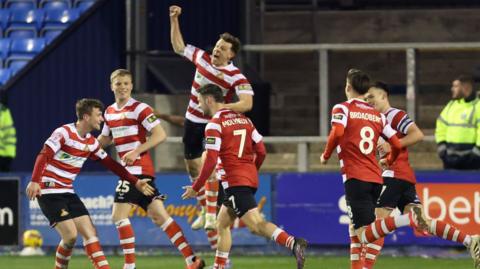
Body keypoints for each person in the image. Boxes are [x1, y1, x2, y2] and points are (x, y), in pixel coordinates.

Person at [181, 84, 307, 269]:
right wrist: (251, 169)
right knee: (222, 223)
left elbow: (211, 160)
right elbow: (261, 150)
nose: (199, 106)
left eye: (199, 102)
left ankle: (293, 243)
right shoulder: (244, 120)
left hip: (234, 181)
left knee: (256, 226)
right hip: (244, 178)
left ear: (209, 100)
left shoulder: (214, 124)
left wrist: (196, 186)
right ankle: (220, 266)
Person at [25, 98, 155, 269]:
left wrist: (135, 182)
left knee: (90, 233)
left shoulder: (91, 142)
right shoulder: (64, 133)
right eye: (98, 115)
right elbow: (44, 155)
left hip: (67, 192)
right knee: (70, 236)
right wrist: (34, 181)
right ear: (86, 117)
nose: (102, 119)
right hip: (49, 191)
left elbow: (111, 163)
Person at [364, 81, 480, 269]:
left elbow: (417, 135)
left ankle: (364, 266)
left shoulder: (394, 115)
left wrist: (391, 146)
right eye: (366, 97)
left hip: (395, 174)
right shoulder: (377, 120)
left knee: (377, 221)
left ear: (384, 96)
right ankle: (470, 240)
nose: (368, 101)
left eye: (372, 97)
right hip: (401, 176)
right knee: (422, 223)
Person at [320, 69, 430, 265]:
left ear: (347, 87)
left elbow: (337, 133)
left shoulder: (343, 108)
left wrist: (326, 154)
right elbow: (395, 143)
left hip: (356, 176)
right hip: (376, 177)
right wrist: (388, 158)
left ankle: (409, 220)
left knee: (364, 234)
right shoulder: (378, 116)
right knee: (354, 228)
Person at [97, 69, 204, 269]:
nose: (122, 87)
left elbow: (160, 134)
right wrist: (86, 148)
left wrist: (137, 150)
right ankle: (192, 260)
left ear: (131, 85)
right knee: (159, 216)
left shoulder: (140, 108)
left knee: (118, 216)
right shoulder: (109, 111)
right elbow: (105, 138)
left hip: (137, 171)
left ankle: (129, 266)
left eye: (126, 83)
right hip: (133, 171)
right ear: (111, 86)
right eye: (118, 84)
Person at [170, 5, 254, 231]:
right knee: (192, 168)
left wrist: (220, 108)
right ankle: (203, 207)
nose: (216, 50)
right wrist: (174, 20)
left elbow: (247, 103)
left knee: (210, 164)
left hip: (212, 124)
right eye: (217, 46)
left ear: (231, 54)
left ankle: (209, 214)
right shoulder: (202, 57)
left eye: (222, 48)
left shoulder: (236, 76)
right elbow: (178, 46)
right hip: (191, 121)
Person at [435, 75, 480, 169]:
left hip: (472, 160)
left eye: (456, 86)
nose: (452, 89)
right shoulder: (451, 105)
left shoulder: (478, 106)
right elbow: (441, 126)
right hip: (449, 159)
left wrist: (477, 153)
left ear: (466, 87)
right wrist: (442, 148)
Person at [0, 99, 16, 172]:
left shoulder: (4, 111)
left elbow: (9, 134)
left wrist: (9, 155)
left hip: (3, 156)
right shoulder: (4, 111)